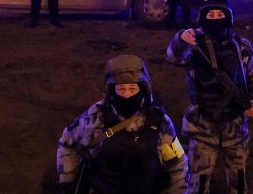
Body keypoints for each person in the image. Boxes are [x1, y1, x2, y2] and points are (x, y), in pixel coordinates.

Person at [166, 0, 253, 193]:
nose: (215, 18)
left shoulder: (241, 47)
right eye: (210, 14)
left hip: (236, 127)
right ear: (203, 19)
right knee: (198, 182)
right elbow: (172, 56)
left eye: (220, 14)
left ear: (228, 17)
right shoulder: (193, 46)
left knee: (237, 181)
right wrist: (180, 38)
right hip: (202, 127)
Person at [57, 55, 187, 193]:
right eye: (121, 89)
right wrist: (68, 181)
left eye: (132, 89)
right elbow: (67, 144)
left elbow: (177, 166)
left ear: (142, 89)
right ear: (112, 90)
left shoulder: (159, 121)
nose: (127, 95)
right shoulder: (95, 118)